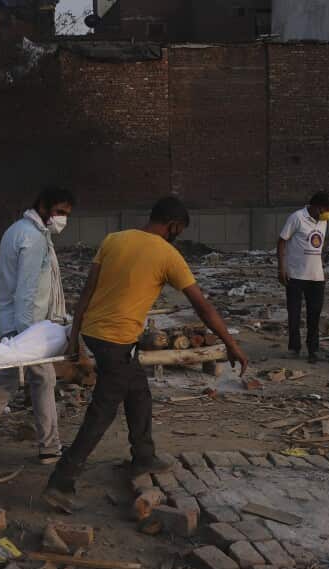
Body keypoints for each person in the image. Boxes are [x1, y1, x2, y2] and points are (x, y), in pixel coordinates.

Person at [44, 196, 248, 512]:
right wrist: (231, 345)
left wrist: (74, 338)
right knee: (103, 411)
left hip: (95, 333)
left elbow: (86, 290)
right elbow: (202, 307)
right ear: (174, 226)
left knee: (138, 391)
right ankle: (61, 480)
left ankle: (143, 455)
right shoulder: (169, 255)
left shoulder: (114, 240)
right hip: (117, 341)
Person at [0, 187, 75, 480]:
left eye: (67, 214)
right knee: (5, 385)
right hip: (25, 327)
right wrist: (28, 339)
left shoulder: (17, 231)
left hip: (18, 326)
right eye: (59, 212)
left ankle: (50, 448)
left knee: (42, 379)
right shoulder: (33, 240)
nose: (62, 219)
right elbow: (27, 291)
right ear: (43, 207)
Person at [278, 190, 329, 364]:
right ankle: (294, 347)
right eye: (326, 209)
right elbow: (282, 241)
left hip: (317, 277)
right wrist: (281, 268)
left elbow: (317, 244)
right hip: (295, 275)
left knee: (314, 314)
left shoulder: (323, 222)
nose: (328, 213)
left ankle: (313, 350)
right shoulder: (297, 217)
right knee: (294, 314)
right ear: (317, 207)